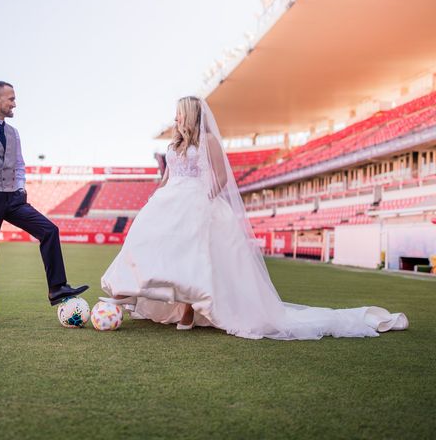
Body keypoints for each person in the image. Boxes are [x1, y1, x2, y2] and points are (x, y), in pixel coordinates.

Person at [100, 96, 408, 340]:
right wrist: (157, 201)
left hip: (196, 203)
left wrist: (202, 203)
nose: (176, 118)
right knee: (151, 244)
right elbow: (167, 178)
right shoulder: (173, 145)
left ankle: (188, 309)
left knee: (192, 257)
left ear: (192, 115)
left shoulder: (208, 142)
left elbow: (220, 178)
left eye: (180, 113)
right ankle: (128, 294)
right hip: (169, 203)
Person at [0, 81, 88, 328]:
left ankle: (57, 288)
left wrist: (21, 187)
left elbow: (19, 165)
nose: (15, 103)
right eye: (11, 99)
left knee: (49, 230)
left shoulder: (14, 132)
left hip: (13, 198)